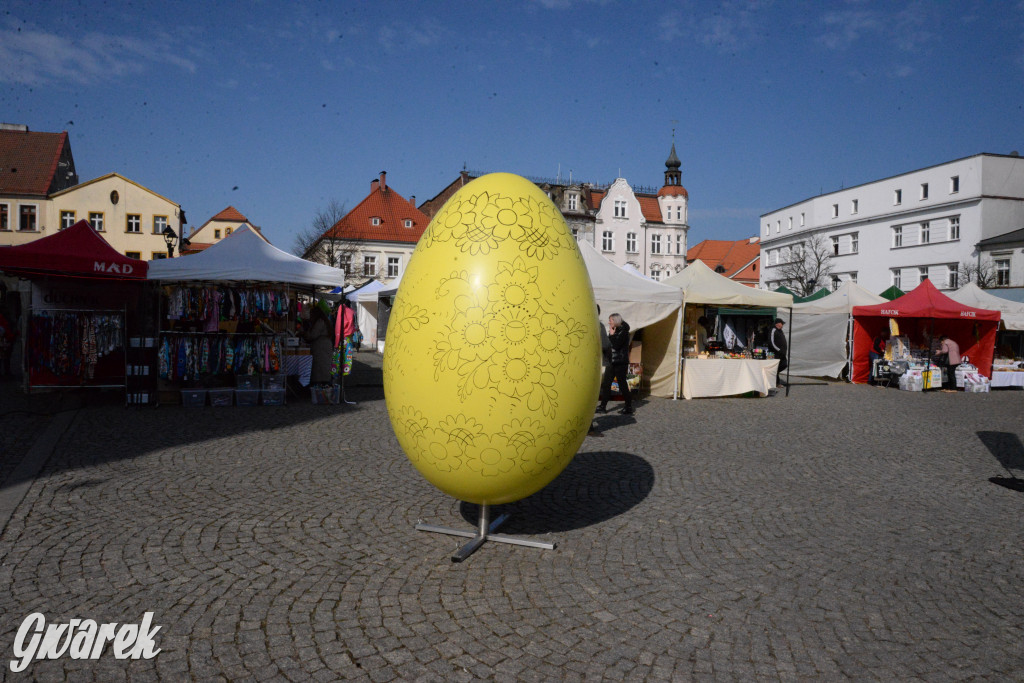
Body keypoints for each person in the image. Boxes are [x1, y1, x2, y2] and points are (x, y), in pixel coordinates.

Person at [596, 313, 633, 415]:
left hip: (620, 363)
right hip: (612, 361)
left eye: (610, 320)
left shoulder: (624, 332)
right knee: (606, 384)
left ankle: (628, 407)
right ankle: (603, 406)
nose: (609, 322)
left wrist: (612, 335)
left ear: (615, 321)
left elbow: (616, 346)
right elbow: (609, 345)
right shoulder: (616, 330)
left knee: (622, 385)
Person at [304, 300, 335, 386]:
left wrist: (305, 334)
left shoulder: (319, 322)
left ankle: (321, 386)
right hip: (325, 346)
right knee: (324, 366)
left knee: (320, 367)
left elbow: (313, 335)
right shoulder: (324, 321)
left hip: (320, 347)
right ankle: (325, 383)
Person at [769, 317, 788, 387]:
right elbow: (771, 342)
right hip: (776, 353)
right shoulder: (773, 330)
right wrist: (779, 350)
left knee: (784, 365)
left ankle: (773, 376)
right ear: (777, 324)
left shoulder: (780, 331)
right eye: (781, 323)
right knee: (776, 367)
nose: (782, 325)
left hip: (782, 353)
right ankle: (777, 382)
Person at [0, 307, 15, 378]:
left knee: (5, 358)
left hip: (6, 339)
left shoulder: (4, 319)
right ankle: (7, 372)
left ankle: (7, 372)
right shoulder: (4, 319)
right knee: (6, 358)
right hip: (5, 340)